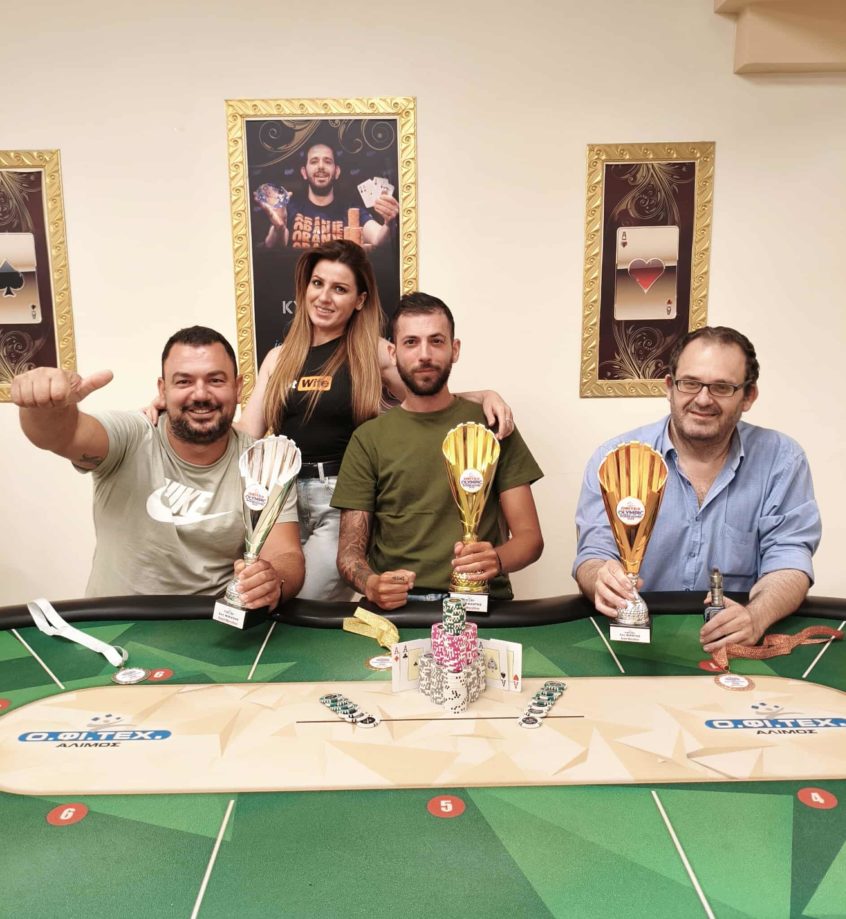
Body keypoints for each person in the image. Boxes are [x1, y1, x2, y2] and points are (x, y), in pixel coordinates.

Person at [240, 241, 515, 603]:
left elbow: (426, 396)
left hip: (338, 501)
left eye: (340, 289)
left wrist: (483, 396)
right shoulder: (278, 358)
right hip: (281, 499)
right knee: (270, 593)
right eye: (318, 283)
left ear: (359, 300)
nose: (324, 297)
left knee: (305, 601)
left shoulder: (372, 350)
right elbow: (246, 435)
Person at [12, 326, 304, 607]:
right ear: (162, 390)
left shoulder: (263, 464)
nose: (200, 394)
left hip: (210, 627)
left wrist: (271, 581)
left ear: (238, 388)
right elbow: (63, 436)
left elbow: (286, 554)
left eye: (215, 380)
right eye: (184, 382)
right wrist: (45, 408)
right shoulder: (131, 435)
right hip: (116, 625)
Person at [573, 326, 821, 652]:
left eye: (722, 387)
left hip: (733, 641)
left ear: (748, 396)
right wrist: (600, 578)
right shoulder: (616, 458)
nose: (703, 399)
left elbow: (790, 560)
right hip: (637, 644)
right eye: (690, 383)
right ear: (669, 387)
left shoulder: (782, 459)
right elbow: (592, 555)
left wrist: (756, 616)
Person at [332, 291, 544, 611]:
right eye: (411, 342)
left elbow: (530, 539)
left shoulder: (492, 425)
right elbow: (349, 555)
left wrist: (497, 559)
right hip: (401, 606)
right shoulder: (368, 439)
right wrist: (371, 584)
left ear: (454, 349)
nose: (425, 354)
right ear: (393, 352)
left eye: (436, 341)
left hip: (480, 601)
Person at [255, 142, 399, 250]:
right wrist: (279, 228)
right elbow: (273, 245)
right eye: (314, 161)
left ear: (337, 172)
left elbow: (378, 238)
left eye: (327, 161)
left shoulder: (352, 210)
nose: (321, 167)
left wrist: (389, 223)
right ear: (304, 172)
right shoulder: (290, 207)